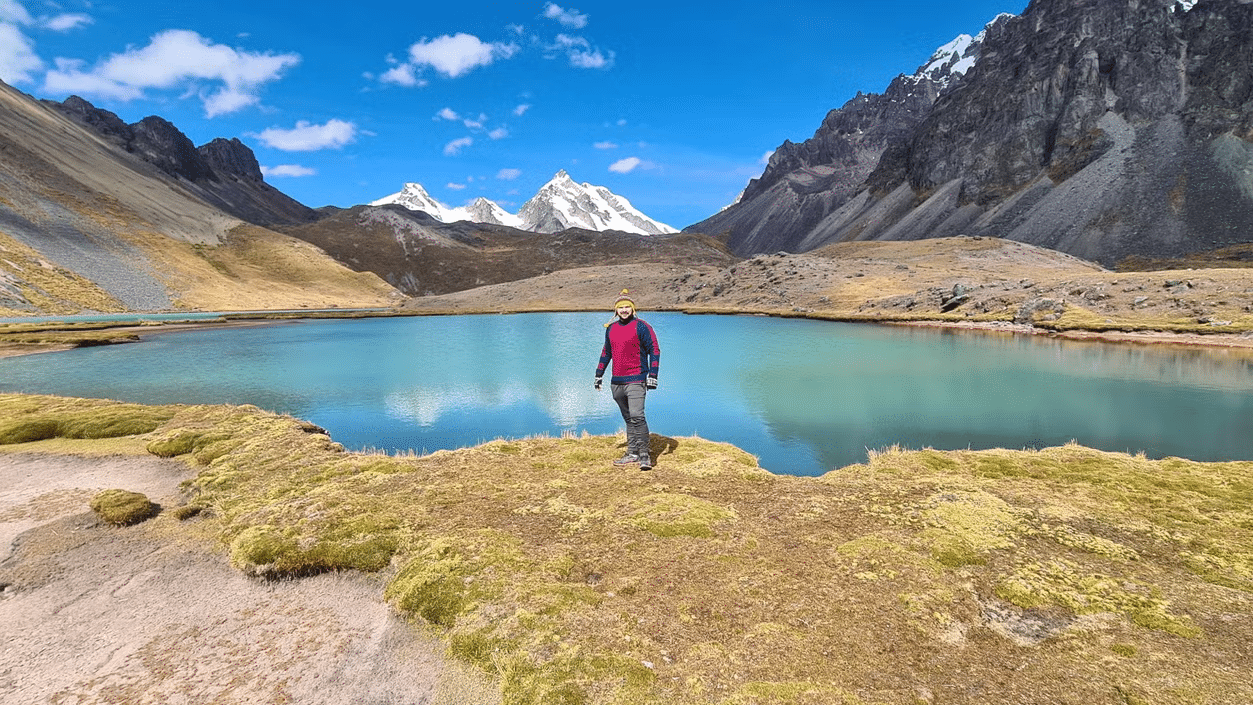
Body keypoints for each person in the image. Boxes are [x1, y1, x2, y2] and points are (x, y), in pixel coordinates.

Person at [595, 289, 660, 470]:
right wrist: (598, 375)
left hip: (636, 379)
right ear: (616, 311)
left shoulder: (642, 326)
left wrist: (652, 375)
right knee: (628, 418)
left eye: (627, 307)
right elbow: (606, 353)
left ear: (633, 309)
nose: (624, 310)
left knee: (637, 416)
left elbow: (654, 350)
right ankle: (632, 453)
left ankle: (645, 455)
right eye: (620, 307)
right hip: (616, 382)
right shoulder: (612, 329)